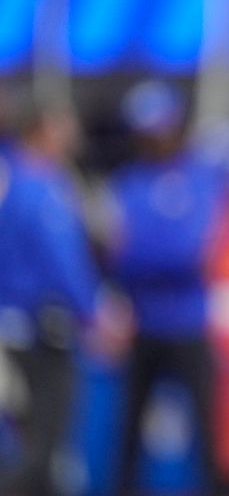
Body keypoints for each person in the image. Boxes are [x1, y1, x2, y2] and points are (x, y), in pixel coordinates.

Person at [105, 80, 229, 495]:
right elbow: (117, 256)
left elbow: (191, 251)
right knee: (128, 431)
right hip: (144, 325)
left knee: (207, 431)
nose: (151, 138)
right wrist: (141, 256)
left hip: (189, 324)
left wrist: (141, 254)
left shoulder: (199, 177)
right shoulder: (130, 181)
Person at [0, 93, 122, 495]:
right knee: (43, 445)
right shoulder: (42, 184)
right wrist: (96, 311)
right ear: (44, 129)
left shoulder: (12, 177)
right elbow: (62, 260)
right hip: (41, 329)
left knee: (27, 438)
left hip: (14, 325)